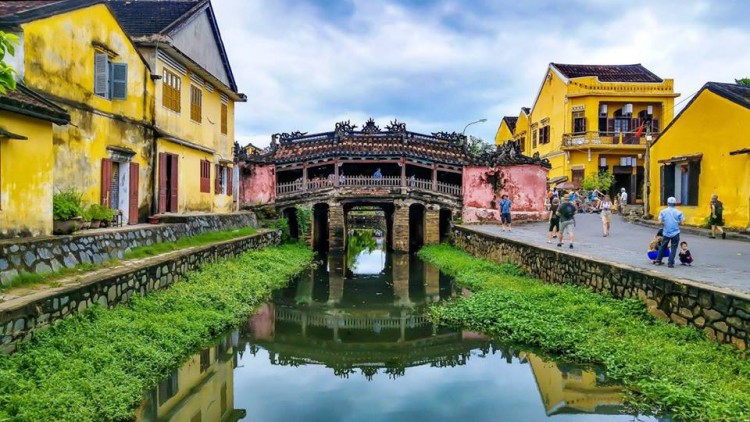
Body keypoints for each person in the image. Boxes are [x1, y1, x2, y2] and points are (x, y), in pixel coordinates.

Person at [653, 196, 684, 268]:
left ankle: (658, 260)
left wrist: (665, 222)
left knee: (663, 246)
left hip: (666, 232)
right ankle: (670, 263)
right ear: (675, 204)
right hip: (675, 232)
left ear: (667, 203)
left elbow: (659, 222)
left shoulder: (663, 211)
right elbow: (682, 223)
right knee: (674, 247)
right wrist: (676, 222)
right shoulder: (679, 212)